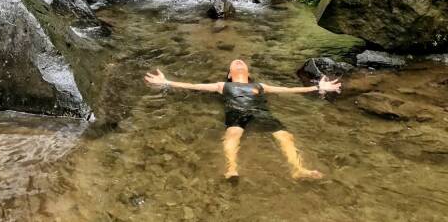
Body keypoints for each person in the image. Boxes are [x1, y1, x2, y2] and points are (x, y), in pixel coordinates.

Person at [144, 58, 341, 180]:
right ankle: (232, 169)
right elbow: (193, 85)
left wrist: (318, 88)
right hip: (236, 112)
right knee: (233, 134)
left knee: (285, 136)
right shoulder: (222, 85)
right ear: (230, 74)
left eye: (241, 62)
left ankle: (298, 169)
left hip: (262, 113)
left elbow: (290, 90)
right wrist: (166, 82)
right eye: (234, 63)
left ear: (248, 72)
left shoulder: (260, 85)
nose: (238, 62)